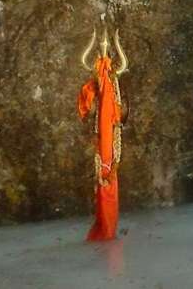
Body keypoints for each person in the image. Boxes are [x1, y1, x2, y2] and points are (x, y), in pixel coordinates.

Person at [77, 23, 128, 241]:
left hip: (108, 146)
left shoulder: (110, 85)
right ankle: (105, 228)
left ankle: (107, 228)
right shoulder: (103, 84)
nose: (104, 45)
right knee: (105, 186)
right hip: (105, 146)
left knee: (108, 186)